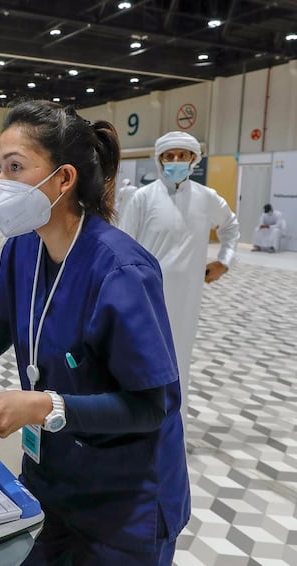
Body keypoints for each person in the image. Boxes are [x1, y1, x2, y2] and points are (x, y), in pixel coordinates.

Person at [0, 100, 190, 565]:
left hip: (125, 499)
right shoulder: (24, 249)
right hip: (53, 474)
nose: (2, 182)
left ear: (63, 179)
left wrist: (43, 405)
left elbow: (152, 405)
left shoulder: (121, 270)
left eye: (16, 167)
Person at [118, 130, 239, 430]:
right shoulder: (143, 198)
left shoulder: (206, 198)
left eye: (182, 156)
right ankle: (136, 428)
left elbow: (230, 227)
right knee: (138, 360)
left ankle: (173, 432)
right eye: (169, 156)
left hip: (186, 299)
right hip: (144, 298)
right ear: (159, 160)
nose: (175, 161)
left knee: (179, 362)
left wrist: (224, 261)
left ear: (193, 159)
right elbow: (122, 245)